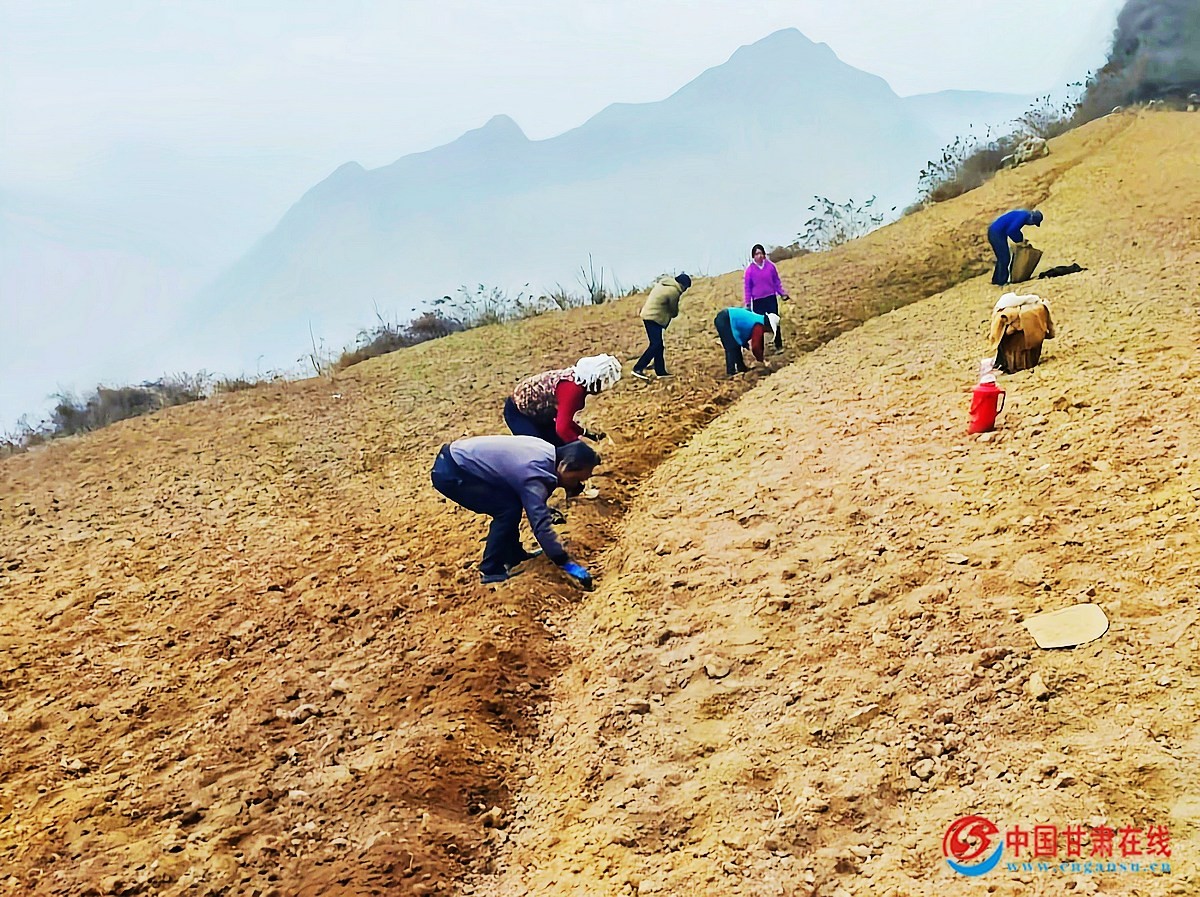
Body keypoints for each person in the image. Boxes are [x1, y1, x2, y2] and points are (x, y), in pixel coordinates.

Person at [430, 436, 598, 588]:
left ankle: (513, 555)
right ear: (564, 467)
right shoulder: (534, 473)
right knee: (506, 511)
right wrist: (565, 562)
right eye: (576, 479)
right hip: (452, 473)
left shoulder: (546, 451)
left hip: (458, 462)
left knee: (511, 505)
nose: (576, 485)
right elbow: (540, 525)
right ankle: (490, 570)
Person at [504, 354, 621, 446]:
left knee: (558, 448)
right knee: (538, 451)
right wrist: (581, 448)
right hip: (519, 414)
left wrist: (585, 433)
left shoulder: (576, 381)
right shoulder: (573, 390)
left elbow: (564, 420)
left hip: (539, 414)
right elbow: (562, 428)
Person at [632, 273, 691, 380]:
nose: (685, 290)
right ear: (682, 285)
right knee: (656, 344)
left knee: (659, 345)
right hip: (654, 318)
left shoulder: (663, 284)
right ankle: (638, 368)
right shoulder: (673, 291)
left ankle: (660, 371)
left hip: (648, 316)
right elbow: (673, 310)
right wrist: (673, 314)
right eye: (686, 288)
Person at [744, 244, 789, 351]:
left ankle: (778, 346)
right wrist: (748, 302)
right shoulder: (750, 271)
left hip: (771, 298)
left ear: (764, 254)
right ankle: (760, 350)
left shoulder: (770, 267)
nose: (759, 256)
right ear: (753, 256)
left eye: (760, 253)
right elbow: (747, 288)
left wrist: (782, 293)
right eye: (756, 254)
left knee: (775, 322)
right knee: (759, 325)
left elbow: (776, 282)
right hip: (758, 301)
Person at [714, 307, 780, 376]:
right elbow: (756, 346)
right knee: (731, 346)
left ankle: (741, 368)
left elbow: (744, 329)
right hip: (725, 319)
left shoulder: (759, 319)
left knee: (736, 345)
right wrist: (760, 360)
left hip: (727, 317)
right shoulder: (759, 326)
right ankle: (731, 372)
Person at [988, 209, 1043, 286]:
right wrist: (1020, 240)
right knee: (1004, 258)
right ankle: (1001, 282)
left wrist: (1020, 239)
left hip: (996, 231)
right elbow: (1011, 230)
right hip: (996, 233)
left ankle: (996, 280)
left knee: (1002, 258)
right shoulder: (1023, 217)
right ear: (1032, 219)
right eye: (1033, 223)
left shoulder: (1023, 213)